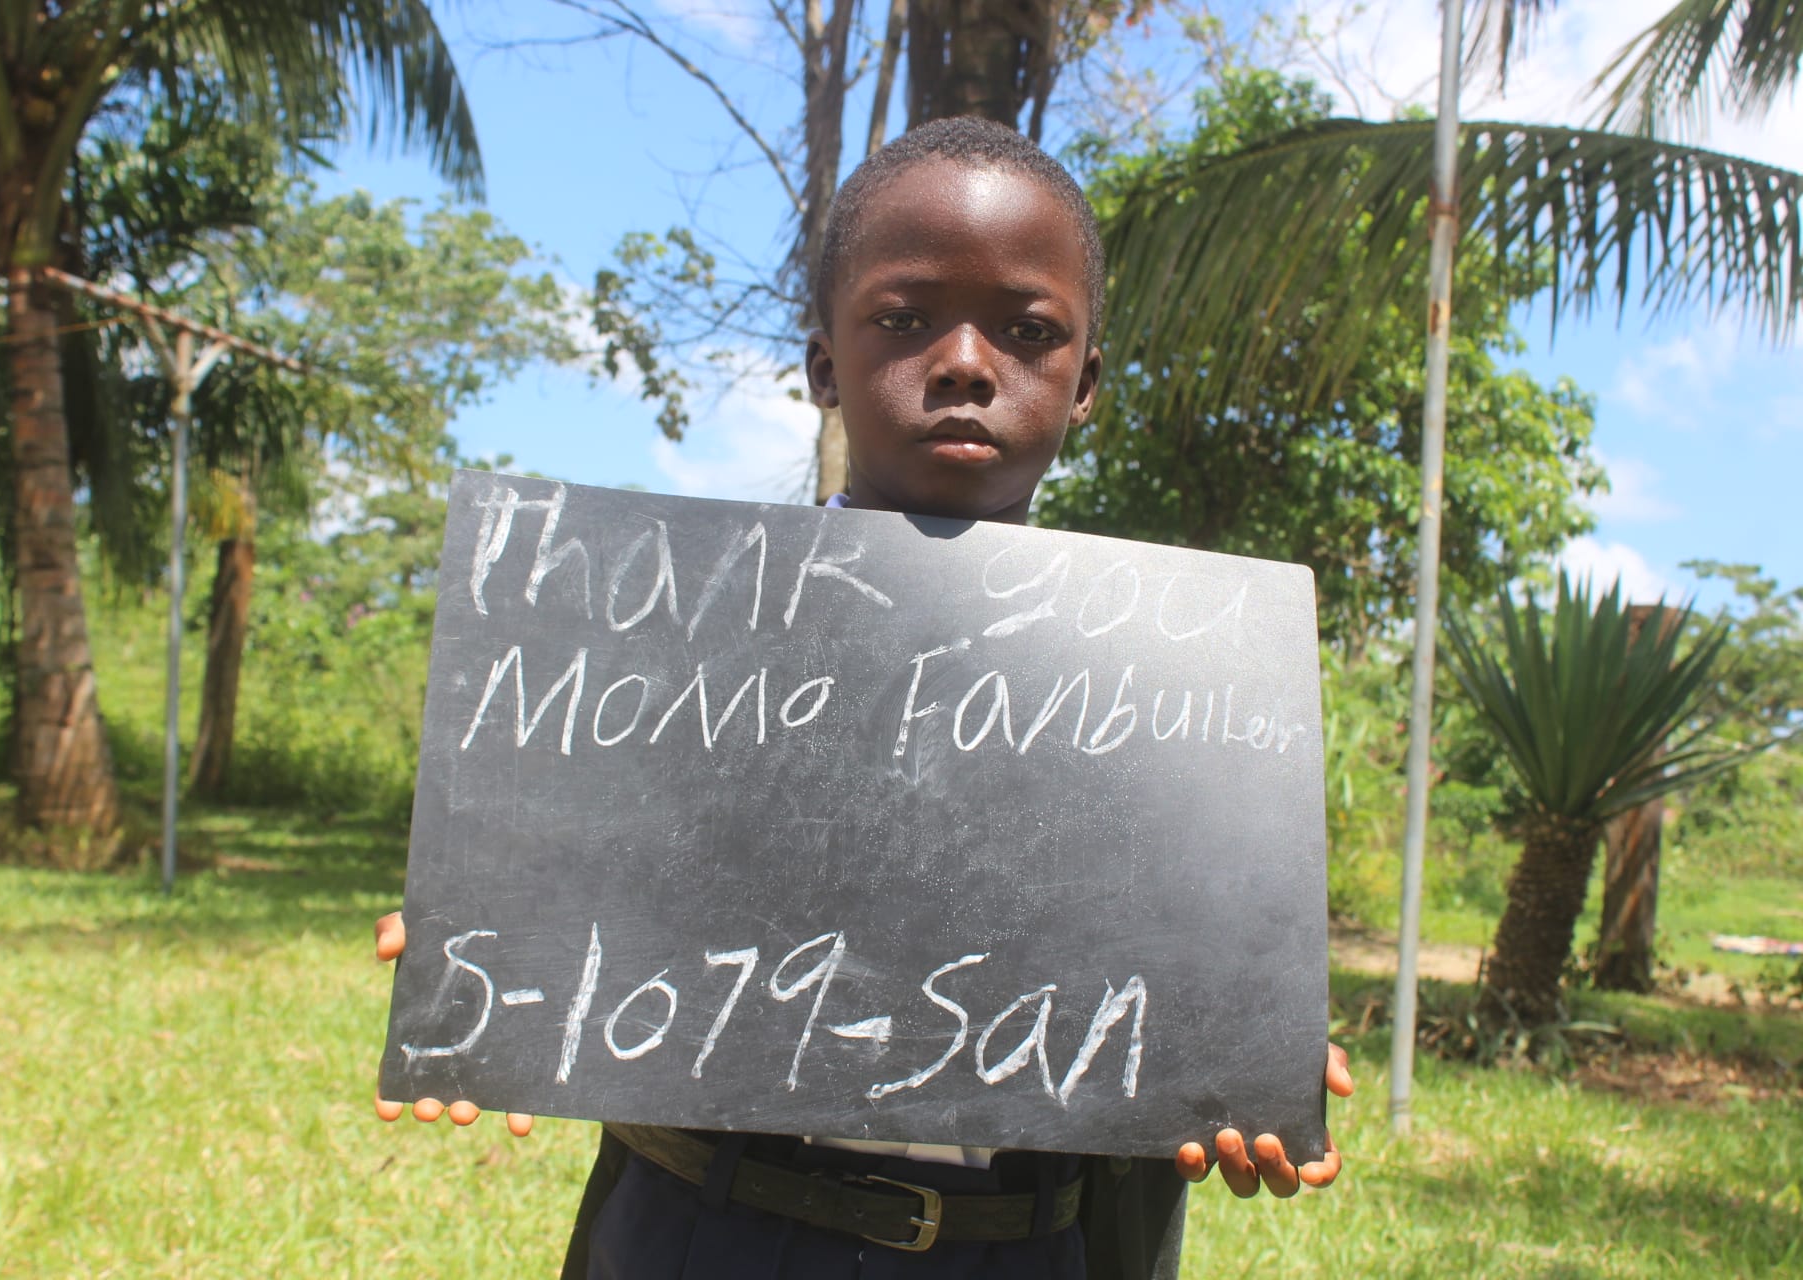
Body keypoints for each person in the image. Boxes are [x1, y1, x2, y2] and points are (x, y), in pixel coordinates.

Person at [373, 115, 1353, 1279]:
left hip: (1025, 1245)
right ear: (825, 366)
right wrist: (484, 930)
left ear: (1085, 382)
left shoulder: (1175, 691)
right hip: (705, 1232)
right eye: (903, 318)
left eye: (1028, 331)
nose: (966, 363)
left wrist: (1248, 1043)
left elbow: (1188, 962)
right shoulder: (676, 642)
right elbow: (580, 875)